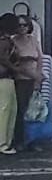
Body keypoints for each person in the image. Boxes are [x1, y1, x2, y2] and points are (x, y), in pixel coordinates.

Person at [11, 14, 44, 152]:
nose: (22, 28)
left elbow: (40, 58)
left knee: (35, 111)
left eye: (25, 24)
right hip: (20, 80)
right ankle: (19, 140)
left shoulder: (33, 40)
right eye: (19, 25)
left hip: (33, 78)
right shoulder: (13, 41)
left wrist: (38, 76)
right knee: (21, 111)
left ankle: (33, 141)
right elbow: (16, 62)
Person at [0, 13, 20, 155]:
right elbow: (3, 58)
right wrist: (15, 68)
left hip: (7, 77)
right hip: (4, 78)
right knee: (6, 110)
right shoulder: (4, 40)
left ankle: (6, 141)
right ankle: (3, 143)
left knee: (10, 109)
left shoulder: (5, 39)